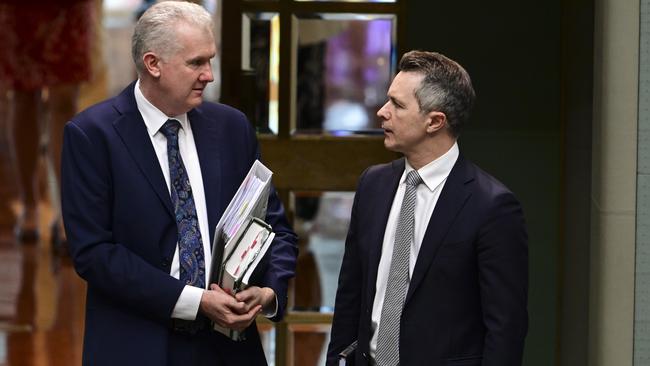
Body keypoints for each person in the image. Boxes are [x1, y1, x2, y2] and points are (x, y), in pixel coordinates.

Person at [60, 2, 297, 365]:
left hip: (227, 348)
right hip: (137, 344)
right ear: (153, 64)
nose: (209, 75)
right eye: (196, 63)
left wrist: (268, 291)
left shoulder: (231, 128)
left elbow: (272, 226)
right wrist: (195, 301)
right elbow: (93, 253)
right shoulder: (92, 135)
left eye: (210, 60)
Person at [327, 51, 528, 366]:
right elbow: (351, 292)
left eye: (398, 104)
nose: (382, 112)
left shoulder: (492, 206)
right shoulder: (373, 185)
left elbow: (506, 328)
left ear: (435, 121)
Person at [0, 0, 95, 243]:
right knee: (22, 95)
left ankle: (66, 211)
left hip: (67, 7)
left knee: (64, 100)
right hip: (19, 9)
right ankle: (29, 202)